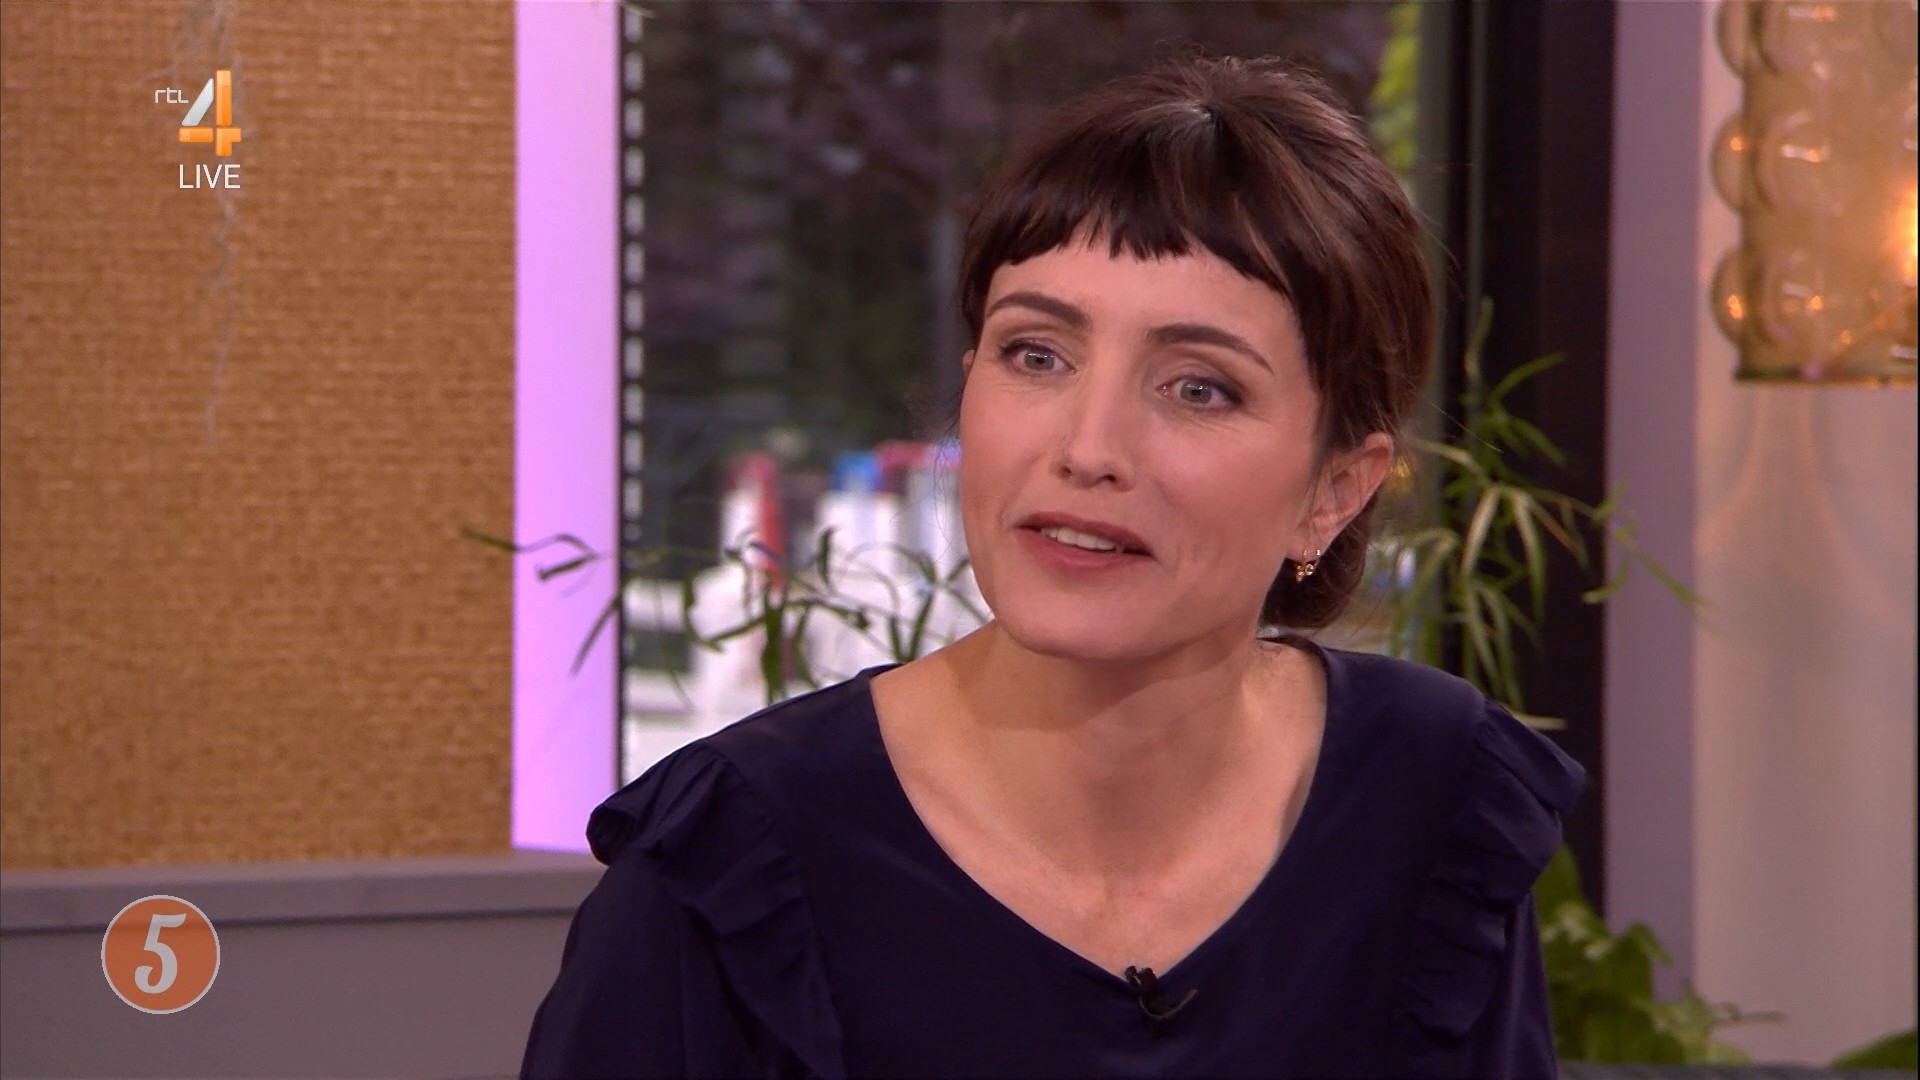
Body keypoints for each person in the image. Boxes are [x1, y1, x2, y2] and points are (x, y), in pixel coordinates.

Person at [521, 54, 1583, 1080]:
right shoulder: (729, 870)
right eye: (1037, 354)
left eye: (1198, 387)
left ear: (1336, 491)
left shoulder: (1434, 807)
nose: (1087, 447)